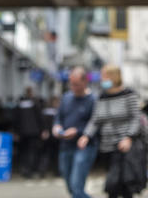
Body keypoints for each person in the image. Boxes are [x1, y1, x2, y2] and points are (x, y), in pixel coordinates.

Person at [79, 65, 143, 198]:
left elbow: (136, 118)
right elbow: (95, 119)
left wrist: (129, 137)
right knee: (113, 181)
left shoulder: (128, 94)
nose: (102, 79)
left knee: (120, 183)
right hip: (107, 145)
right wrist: (86, 135)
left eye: (104, 76)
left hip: (124, 146)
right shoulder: (101, 97)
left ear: (113, 77)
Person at [54, 67, 97, 198]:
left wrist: (79, 132)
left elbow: (95, 122)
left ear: (85, 82)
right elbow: (58, 117)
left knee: (76, 186)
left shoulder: (93, 100)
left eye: (76, 84)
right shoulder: (66, 98)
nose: (73, 87)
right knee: (71, 187)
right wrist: (56, 127)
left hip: (84, 146)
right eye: (71, 83)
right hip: (66, 146)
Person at [15, 87, 46, 178]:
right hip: (34, 132)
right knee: (32, 151)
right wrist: (43, 129)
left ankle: (24, 169)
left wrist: (16, 131)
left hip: (22, 132)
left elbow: (16, 118)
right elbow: (40, 117)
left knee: (23, 151)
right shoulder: (35, 103)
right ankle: (31, 170)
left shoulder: (20, 104)